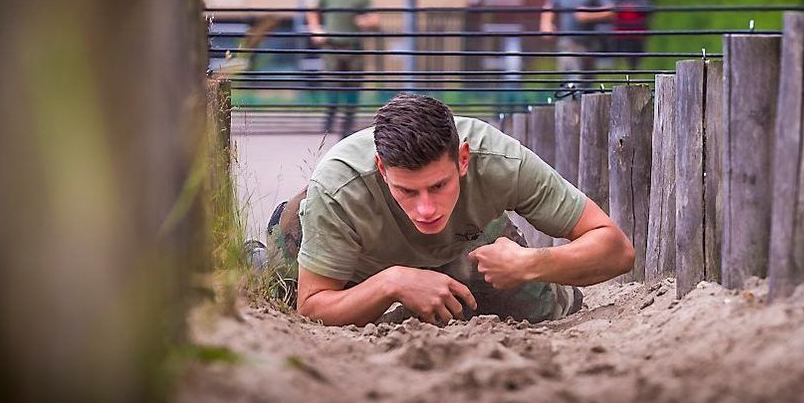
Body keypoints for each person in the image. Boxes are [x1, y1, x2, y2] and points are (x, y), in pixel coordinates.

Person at [261, 93, 635, 327]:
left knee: (546, 309)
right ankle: (259, 254)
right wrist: (393, 283)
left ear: (463, 159)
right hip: (350, 257)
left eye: (438, 186)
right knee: (280, 287)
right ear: (381, 169)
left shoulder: (500, 160)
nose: (425, 208)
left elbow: (617, 250)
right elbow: (313, 306)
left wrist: (530, 263)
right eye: (407, 190)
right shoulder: (338, 185)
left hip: (460, 245)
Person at [307, 0, 380, 138]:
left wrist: (365, 21)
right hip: (332, 46)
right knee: (332, 85)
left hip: (353, 47)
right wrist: (316, 29)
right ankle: (328, 123)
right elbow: (312, 12)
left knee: (352, 87)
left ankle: (347, 127)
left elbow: (375, 19)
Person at [540, 0, 615, 84]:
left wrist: (590, 15)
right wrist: (546, 25)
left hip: (589, 45)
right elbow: (548, 10)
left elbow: (611, 11)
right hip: (568, 44)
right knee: (573, 79)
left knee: (587, 83)